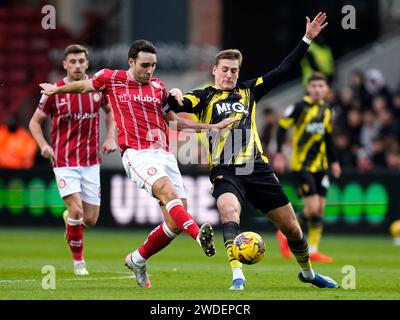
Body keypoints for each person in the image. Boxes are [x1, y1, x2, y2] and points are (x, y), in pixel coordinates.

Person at [39, 40, 237, 288]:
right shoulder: (112, 78)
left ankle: (137, 259)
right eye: (145, 65)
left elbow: (174, 121)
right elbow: (84, 87)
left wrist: (211, 127)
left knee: (175, 221)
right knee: (168, 192)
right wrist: (55, 90)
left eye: (153, 65)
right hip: (137, 154)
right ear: (131, 62)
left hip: (164, 154)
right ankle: (199, 236)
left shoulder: (158, 87)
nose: (150, 70)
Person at [168, 12, 339, 290]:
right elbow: (176, 105)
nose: (229, 74)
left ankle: (308, 273)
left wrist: (307, 39)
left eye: (234, 70)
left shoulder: (250, 91)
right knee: (229, 213)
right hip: (225, 171)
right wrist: (172, 94)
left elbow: (283, 70)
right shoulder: (203, 97)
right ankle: (238, 276)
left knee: (292, 228)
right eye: (224, 69)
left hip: (257, 168)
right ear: (214, 70)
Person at [29, 44, 117, 275]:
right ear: (65, 64)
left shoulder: (97, 89)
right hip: (64, 160)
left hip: (90, 161)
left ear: (87, 64)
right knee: (77, 210)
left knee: (90, 220)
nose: (77, 65)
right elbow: (34, 122)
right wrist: (43, 145)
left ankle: (70, 218)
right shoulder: (54, 91)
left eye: (81, 61)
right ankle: (79, 263)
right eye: (73, 62)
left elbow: (110, 112)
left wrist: (110, 138)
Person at [274, 72, 341, 263]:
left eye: (322, 86)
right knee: (312, 208)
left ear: (327, 89)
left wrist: (334, 162)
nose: (318, 89)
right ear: (308, 88)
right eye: (315, 86)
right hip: (302, 165)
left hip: (321, 166)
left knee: (320, 208)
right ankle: (285, 232)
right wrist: (279, 153)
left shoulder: (327, 110)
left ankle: (313, 249)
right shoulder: (299, 107)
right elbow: (281, 127)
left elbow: (328, 138)